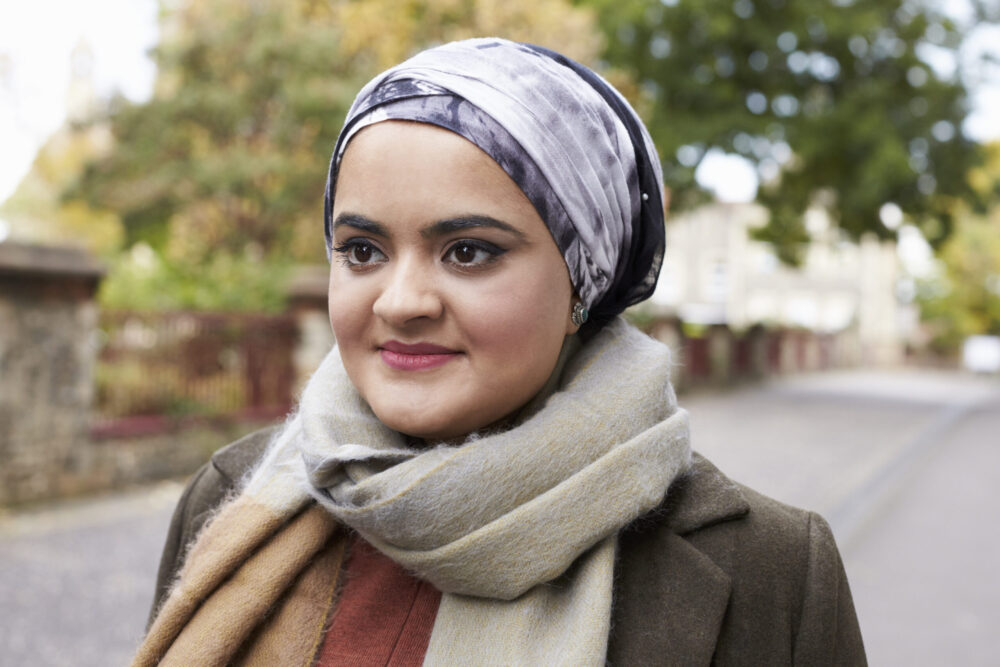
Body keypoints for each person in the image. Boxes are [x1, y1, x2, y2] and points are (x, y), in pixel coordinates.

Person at [134, 38, 866, 666]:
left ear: (584, 283)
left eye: (468, 251)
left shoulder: (773, 570)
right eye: (362, 249)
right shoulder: (230, 495)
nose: (400, 301)